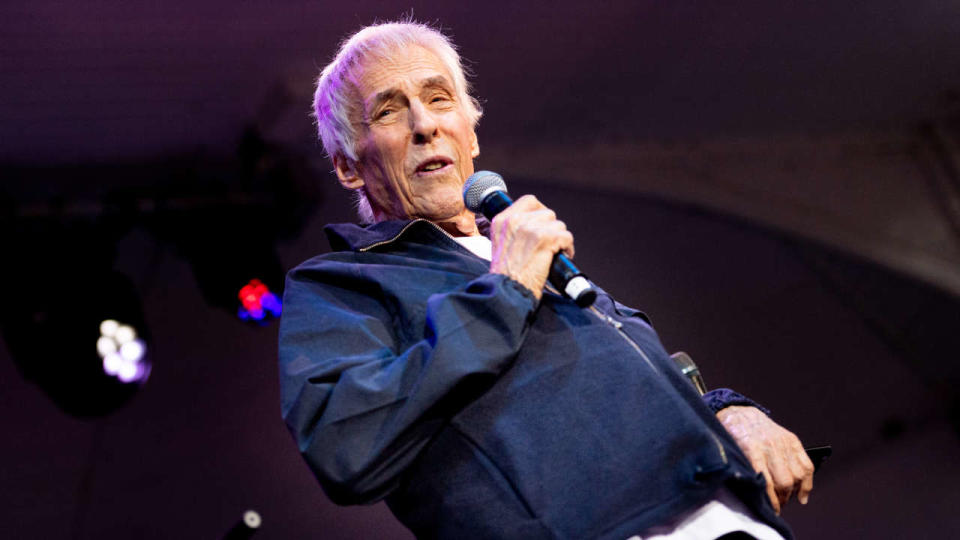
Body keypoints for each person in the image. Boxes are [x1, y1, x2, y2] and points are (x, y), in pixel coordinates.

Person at [279, 20, 814, 540]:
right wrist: (506, 289)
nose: (425, 125)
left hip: (730, 517)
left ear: (472, 132)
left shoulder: (525, 250)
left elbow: (636, 387)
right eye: (390, 111)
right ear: (348, 166)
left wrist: (728, 412)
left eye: (440, 99)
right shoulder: (343, 285)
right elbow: (343, 443)